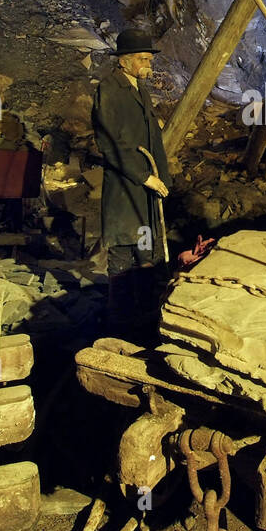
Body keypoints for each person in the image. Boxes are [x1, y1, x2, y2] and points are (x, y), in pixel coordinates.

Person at [92, 28, 170, 339]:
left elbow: (152, 140)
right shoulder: (109, 90)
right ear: (124, 61)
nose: (148, 63)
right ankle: (118, 328)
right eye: (143, 58)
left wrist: (162, 178)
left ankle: (145, 323)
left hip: (146, 191)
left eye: (149, 58)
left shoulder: (140, 89)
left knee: (146, 253)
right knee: (124, 256)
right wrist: (144, 176)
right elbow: (110, 145)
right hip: (127, 190)